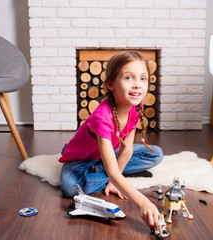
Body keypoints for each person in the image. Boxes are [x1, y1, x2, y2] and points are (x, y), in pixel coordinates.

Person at [59, 51, 163, 230]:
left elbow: (127, 150)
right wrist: (143, 202)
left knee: (156, 154)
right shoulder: (102, 117)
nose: (137, 85)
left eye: (143, 79)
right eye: (129, 78)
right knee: (69, 188)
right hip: (81, 161)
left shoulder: (136, 106)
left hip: (108, 154)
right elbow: (117, 166)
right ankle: (109, 171)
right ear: (112, 84)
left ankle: (107, 172)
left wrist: (114, 181)